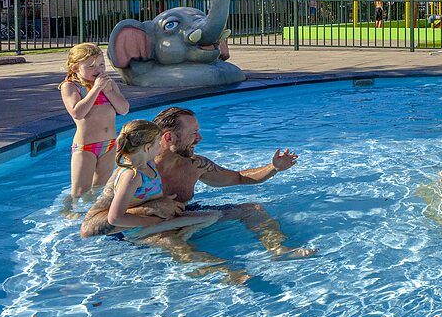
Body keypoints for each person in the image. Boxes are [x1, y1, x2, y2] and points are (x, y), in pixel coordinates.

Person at [81, 107, 311, 261]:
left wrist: (274, 168)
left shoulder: (195, 165)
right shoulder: (135, 170)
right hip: (138, 232)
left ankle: (279, 251)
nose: (199, 139)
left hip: (179, 219)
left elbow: (239, 177)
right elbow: (88, 228)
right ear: (169, 137)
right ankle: (229, 277)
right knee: (170, 241)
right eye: (194, 133)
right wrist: (149, 209)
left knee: (253, 210)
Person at [61, 43, 130, 198]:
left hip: (110, 145)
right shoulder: (71, 87)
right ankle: (69, 216)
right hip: (86, 147)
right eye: (90, 66)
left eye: (101, 64)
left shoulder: (109, 84)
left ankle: (92, 214)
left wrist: (108, 91)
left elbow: (124, 109)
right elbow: (78, 113)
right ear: (75, 68)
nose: (98, 70)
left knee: (100, 190)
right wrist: (96, 89)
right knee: (79, 192)